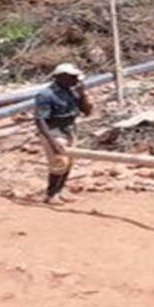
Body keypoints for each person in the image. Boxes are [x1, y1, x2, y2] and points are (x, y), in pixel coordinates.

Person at [34, 62, 93, 203]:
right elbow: (40, 121)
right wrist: (52, 141)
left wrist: (83, 94)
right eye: (72, 77)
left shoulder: (71, 92)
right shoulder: (45, 95)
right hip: (54, 131)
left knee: (69, 162)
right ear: (60, 77)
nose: (76, 80)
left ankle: (60, 191)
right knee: (59, 162)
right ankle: (51, 194)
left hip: (69, 130)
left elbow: (87, 112)